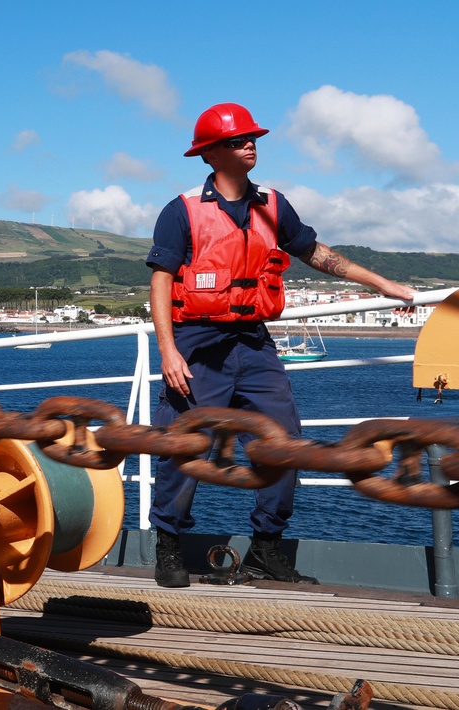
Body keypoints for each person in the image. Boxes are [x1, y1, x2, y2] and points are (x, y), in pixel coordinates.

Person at [146, 103, 415, 588]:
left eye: (253, 138)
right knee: (183, 444)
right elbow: (162, 281)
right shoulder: (181, 210)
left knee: (283, 441)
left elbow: (313, 252)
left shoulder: (274, 203)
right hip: (197, 343)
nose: (250, 144)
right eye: (237, 139)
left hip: (253, 343)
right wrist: (168, 350)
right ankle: (168, 546)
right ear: (210, 154)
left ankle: (266, 549)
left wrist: (381, 284)